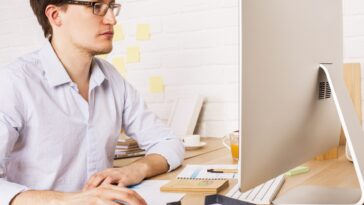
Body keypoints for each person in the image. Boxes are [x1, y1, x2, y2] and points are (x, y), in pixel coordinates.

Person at [0, 0, 185, 204]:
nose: (111, 19)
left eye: (111, 7)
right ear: (55, 15)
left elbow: (169, 142)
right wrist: (71, 201)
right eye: (96, 6)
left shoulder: (112, 79)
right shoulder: (14, 83)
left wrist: (135, 169)